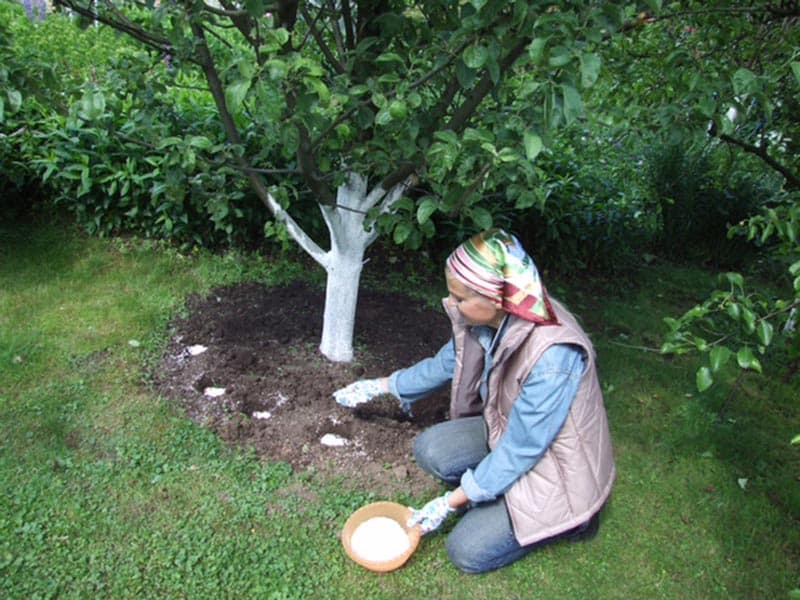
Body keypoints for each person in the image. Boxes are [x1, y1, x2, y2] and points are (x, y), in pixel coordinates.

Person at [333, 228, 615, 574]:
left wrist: (451, 501)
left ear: (494, 297)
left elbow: (521, 450)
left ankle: (573, 521)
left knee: (466, 551)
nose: (451, 305)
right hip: (509, 431)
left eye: (460, 298)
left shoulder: (553, 358)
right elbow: (444, 364)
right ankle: (491, 488)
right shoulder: (497, 315)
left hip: (555, 469)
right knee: (430, 448)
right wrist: (383, 385)